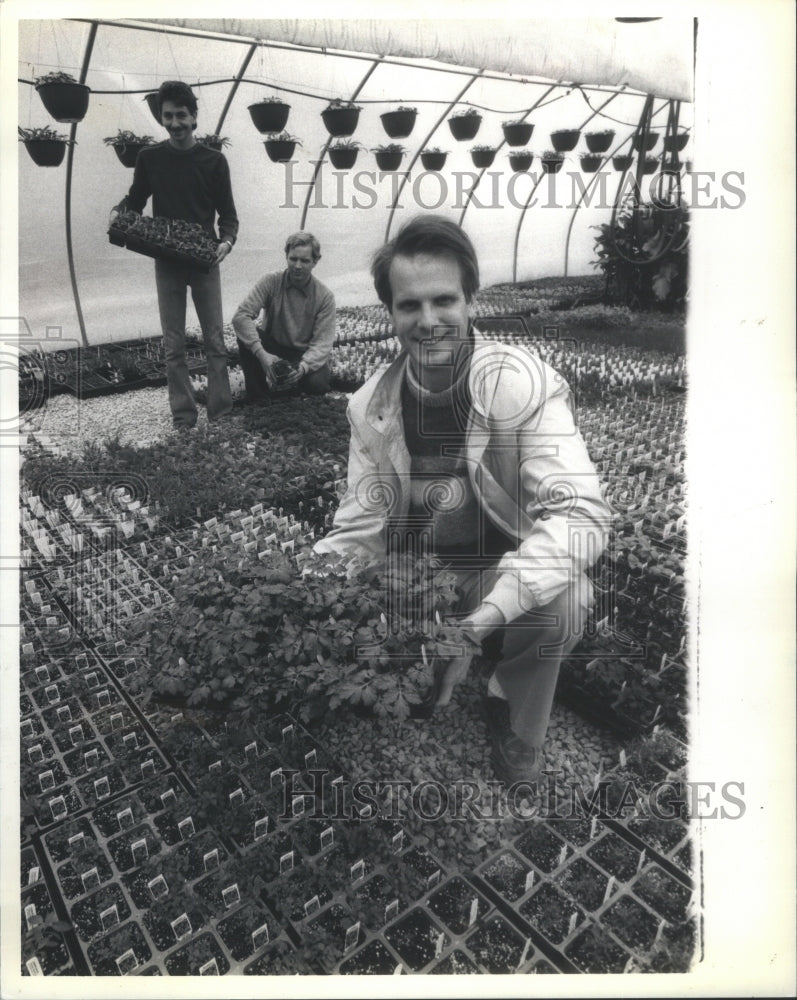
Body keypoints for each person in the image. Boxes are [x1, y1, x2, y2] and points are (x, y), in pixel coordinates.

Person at [312, 215, 612, 785]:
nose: (428, 322)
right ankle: (424, 659)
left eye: (444, 300)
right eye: (409, 305)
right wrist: (302, 586)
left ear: (471, 300)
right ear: (390, 311)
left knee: (566, 599)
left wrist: (475, 628)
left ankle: (509, 704)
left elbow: (582, 515)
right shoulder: (369, 406)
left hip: (493, 565)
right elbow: (358, 525)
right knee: (359, 638)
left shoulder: (519, 384)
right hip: (415, 569)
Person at [109, 80, 238, 429]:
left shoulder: (214, 162)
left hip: (204, 261)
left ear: (194, 117)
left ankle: (221, 414)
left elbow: (228, 215)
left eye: (181, 115)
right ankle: (183, 417)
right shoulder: (150, 159)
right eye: (168, 116)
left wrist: (225, 242)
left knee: (215, 341)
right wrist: (120, 212)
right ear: (162, 119)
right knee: (173, 344)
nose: (175, 123)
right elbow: (136, 201)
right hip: (167, 261)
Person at [232, 232, 336, 398]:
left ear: (315, 261)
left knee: (318, 384)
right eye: (293, 259)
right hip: (273, 348)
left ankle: (292, 390)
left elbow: (322, 343)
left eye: (305, 260)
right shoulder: (271, 281)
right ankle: (259, 399)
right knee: (246, 337)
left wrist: (303, 367)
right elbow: (241, 317)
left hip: (302, 355)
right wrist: (262, 354)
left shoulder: (324, 296)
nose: (297, 266)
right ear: (286, 256)